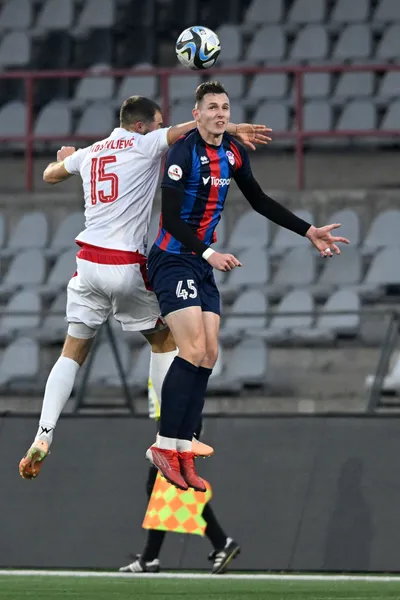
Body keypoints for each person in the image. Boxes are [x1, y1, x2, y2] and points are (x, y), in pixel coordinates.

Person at [18, 95, 272, 480]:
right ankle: (169, 434)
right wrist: (232, 127)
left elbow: (50, 175)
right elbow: (190, 129)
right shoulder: (145, 142)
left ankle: (43, 434)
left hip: (86, 263)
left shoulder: (90, 153)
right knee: (169, 339)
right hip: (123, 264)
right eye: (156, 125)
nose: (160, 131)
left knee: (72, 351)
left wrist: (64, 159)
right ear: (141, 126)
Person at [146, 81, 350, 491]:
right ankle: (164, 446)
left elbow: (259, 200)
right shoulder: (183, 153)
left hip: (201, 264)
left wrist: (308, 230)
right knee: (192, 349)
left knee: (210, 354)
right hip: (173, 260)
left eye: (225, 107)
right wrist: (208, 254)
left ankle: (184, 445)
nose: (220, 113)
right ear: (197, 112)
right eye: (211, 107)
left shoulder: (232, 153)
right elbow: (169, 220)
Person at [119, 386, 240, 575]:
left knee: (166, 487)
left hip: (178, 421)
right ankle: (150, 557)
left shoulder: (173, 356)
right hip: (172, 419)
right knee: (160, 488)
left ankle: (222, 542)